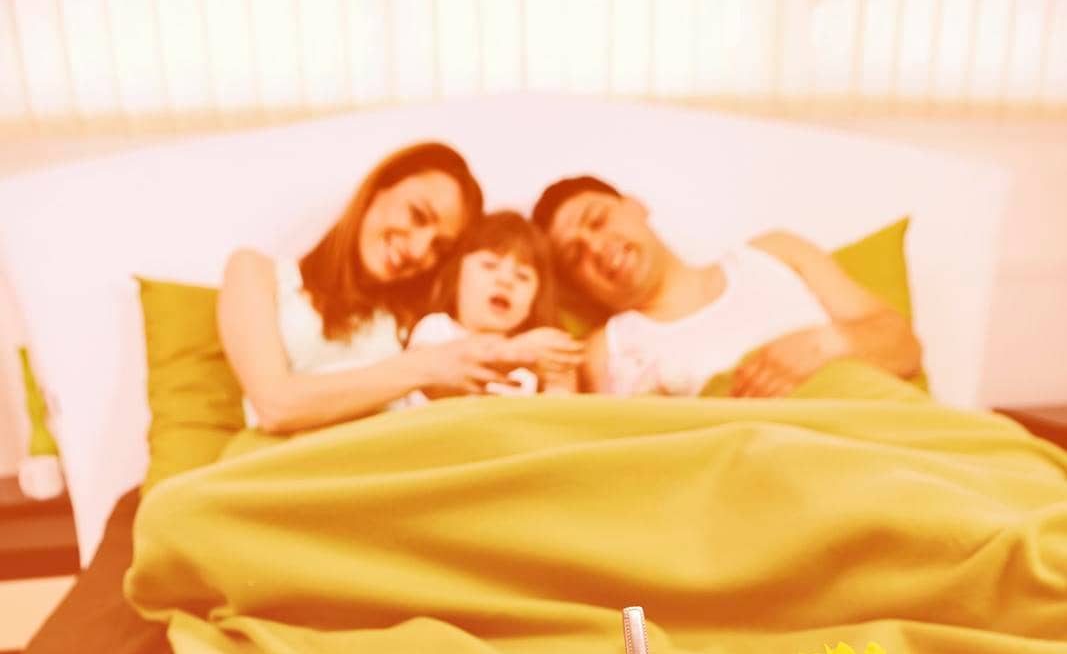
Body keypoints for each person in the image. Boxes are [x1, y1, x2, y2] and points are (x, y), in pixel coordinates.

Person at [219, 141, 532, 433]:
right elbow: (277, 405)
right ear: (377, 189)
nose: (420, 250)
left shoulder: (417, 320)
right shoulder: (256, 272)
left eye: (439, 247)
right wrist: (424, 367)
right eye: (418, 215)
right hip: (286, 469)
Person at [531, 175, 922, 397]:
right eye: (574, 256)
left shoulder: (775, 253)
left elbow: (904, 347)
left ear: (635, 206)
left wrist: (824, 346)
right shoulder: (606, 350)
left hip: (866, 435)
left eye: (597, 220)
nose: (597, 248)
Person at [401, 210, 583, 405]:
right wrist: (516, 353)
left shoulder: (529, 372)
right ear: (456, 278)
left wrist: (560, 384)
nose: (505, 280)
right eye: (489, 265)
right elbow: (432, 383)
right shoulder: (437, 328)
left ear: (533, 303)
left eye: (522, 276)